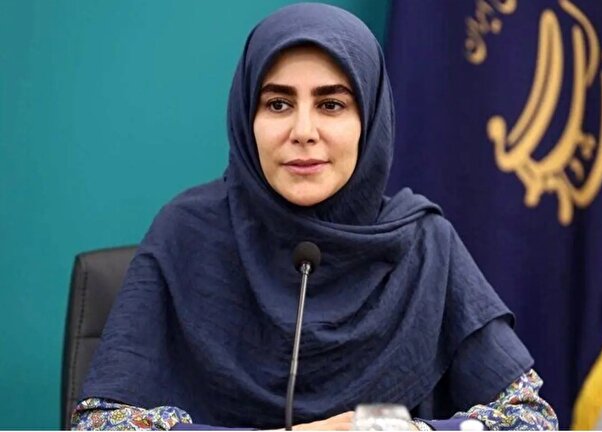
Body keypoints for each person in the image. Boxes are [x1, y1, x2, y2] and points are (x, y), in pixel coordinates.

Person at [71, 3, 558, 431]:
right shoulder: (186, 233)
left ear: (369, 119)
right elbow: (100, 423)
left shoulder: (423, 244)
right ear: (246, 118)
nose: (303, 131)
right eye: (278, 103)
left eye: (331, 104)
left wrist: (397, 429)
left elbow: (530, 419)